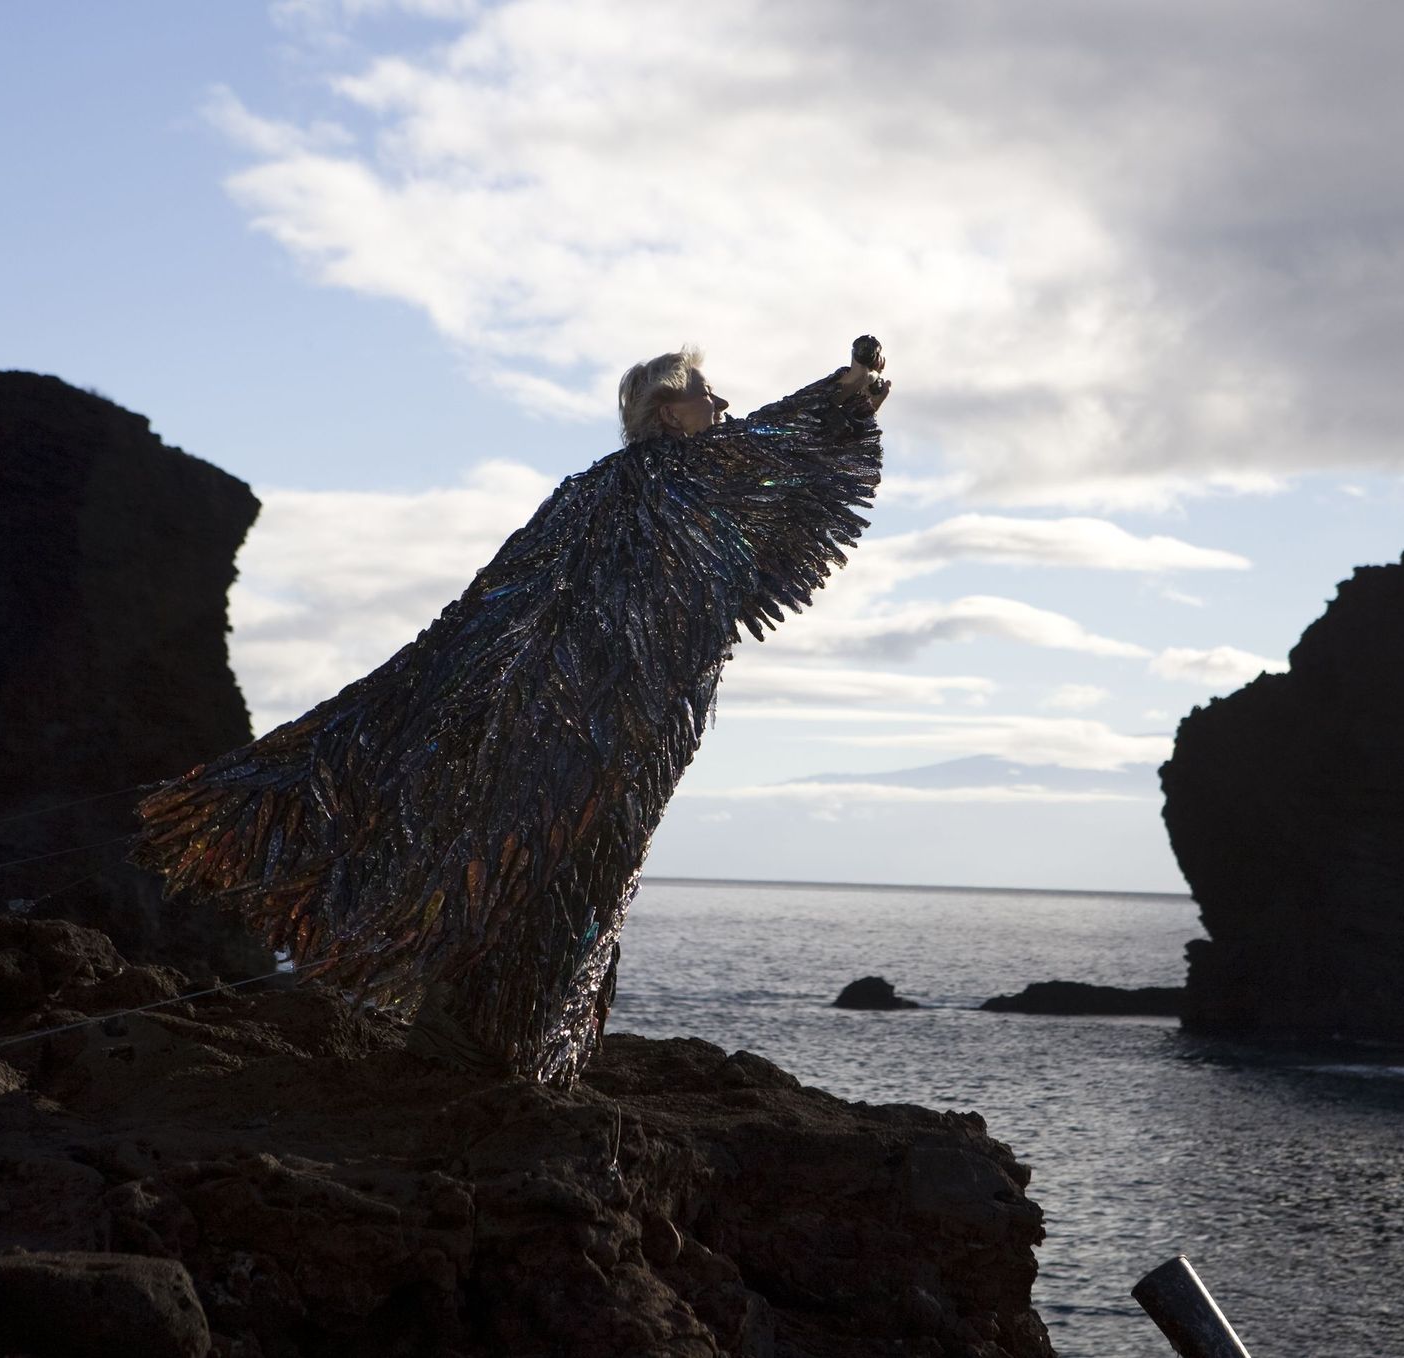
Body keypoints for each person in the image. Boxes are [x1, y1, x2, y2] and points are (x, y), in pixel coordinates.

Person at [132, 336, 890, 1083]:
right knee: (552, 865)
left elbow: (768, 476)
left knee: (579, 872)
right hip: (579, 722)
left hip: (632, 724)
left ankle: (507, 1048)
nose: (721, 402)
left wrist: (846, 408)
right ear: (665, 411)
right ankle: (484, 1048)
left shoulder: (651, 483)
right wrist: (839, 395)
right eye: (705, 392)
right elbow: (760, 453)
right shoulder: (648, 481)